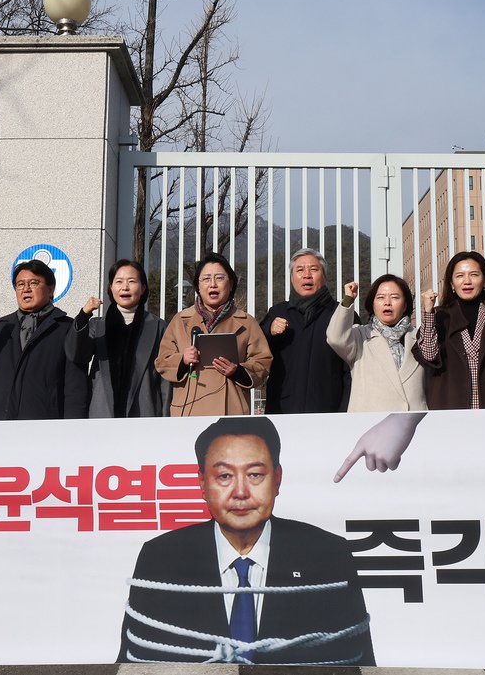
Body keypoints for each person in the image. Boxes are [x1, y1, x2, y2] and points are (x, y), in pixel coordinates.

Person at [116, 417, 375, 665]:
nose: (240, 492)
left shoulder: (327, 554)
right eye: (225, 476)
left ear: (277, 479)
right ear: (202, 484)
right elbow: (133, 663)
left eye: (254, 475)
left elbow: (360, 663)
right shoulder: (161, 557)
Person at [0, 259, 88, 420]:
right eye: (20, 284)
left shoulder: (66, 328)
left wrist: (73, 426)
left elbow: (75, 387)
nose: (26, 289)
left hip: (44, 425)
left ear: (51, 289)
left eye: (34, 283)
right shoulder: (2, 327)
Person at [155, 252, 272, 417]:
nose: (213, 284)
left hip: (231, 411)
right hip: (188, 410)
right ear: (198, 286)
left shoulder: (247, 323)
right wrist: (182, 360)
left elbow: (263, 363)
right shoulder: (180, 320)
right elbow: (162, 361)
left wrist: (237, 371)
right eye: (206, 279)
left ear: (231, 284)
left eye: (219, 278)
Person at [411, 251, 485, 409]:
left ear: (484, 281)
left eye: (474, 275)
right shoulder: (440, 316)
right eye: (459, 276)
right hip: (450, 408)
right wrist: (429, 313)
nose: (467, 281)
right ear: (451, 283)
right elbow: (429, 355)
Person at [68, 259, 170, 418]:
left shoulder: (158, 326)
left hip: (145, 412)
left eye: (132, 281)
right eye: (119, 281)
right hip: (103, 413)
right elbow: (76, 354)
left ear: (143, 288)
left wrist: (165, 417)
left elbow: (165, 377)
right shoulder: (98, 325)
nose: (125, 287)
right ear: (111, 288)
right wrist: (84, 315)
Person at [259, 249, 351, 413]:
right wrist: (268, 330)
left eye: (314, 270)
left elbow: (351, 371)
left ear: (324, 276)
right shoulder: (277, 312)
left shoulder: (341, 314)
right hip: (282, 410)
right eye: (300, 270)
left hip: (329, 411)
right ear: (292, 277)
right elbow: (256, 351)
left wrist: (345, 412)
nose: (307, 275)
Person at [326, 275, 427, 412]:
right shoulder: (360, 336)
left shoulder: (419, 337)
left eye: (395, 297)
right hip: (371, 425)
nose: (387, 302)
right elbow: (335, 337)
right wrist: (348, 299)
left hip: (412, 425)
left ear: (405, 305)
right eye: (380, 297)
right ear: (372, 304)